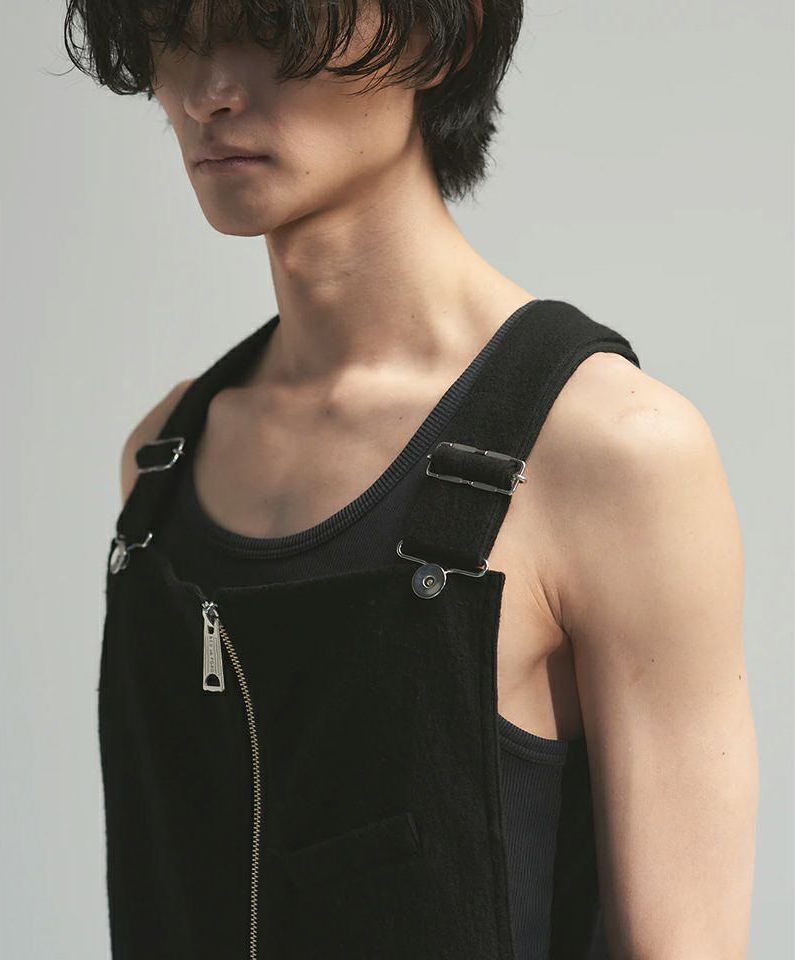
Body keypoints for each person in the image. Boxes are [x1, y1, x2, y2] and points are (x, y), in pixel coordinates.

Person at [65, 1, 758, 957]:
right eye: (173, 33)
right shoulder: (163, 461)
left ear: (444, 37)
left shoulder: (613, 453)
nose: (206, 93)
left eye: (269, 29)